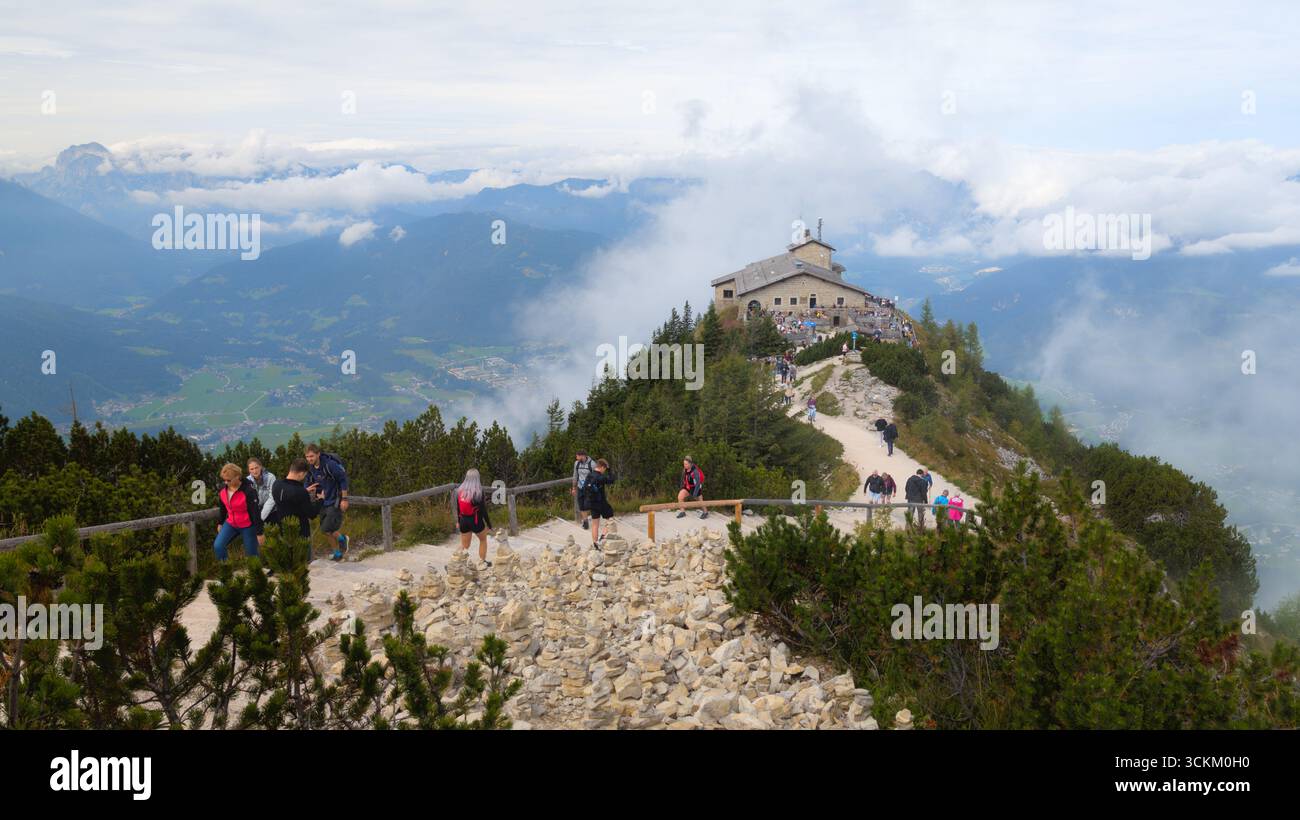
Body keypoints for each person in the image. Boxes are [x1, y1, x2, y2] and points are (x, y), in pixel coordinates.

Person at [305, 443, 351, 561]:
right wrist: (314, 493)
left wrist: (344, 499)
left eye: (312, 456)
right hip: (322, 501)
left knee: (326, 529)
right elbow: (308, 483)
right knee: (326, 531)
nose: (309, 459)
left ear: (318, 454)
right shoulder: (311, 468)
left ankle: (342, 539)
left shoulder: (329, 465)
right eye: (307, 457)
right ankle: (337, 553)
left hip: (334, 500)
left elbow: (343, 480)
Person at [214, 462, 265, 561]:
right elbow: (223, 507)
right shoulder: (222, 489)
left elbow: (255, 513)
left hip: (248, 525)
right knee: (218, 546)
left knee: (252, 556)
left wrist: (259, 533)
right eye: (224, 480)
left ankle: (255, 575)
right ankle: (226, 571)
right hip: (231, 524)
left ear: (237, 477)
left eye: (228, 480)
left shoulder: (249, 491)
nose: (225, 483)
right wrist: (220, 522)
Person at [266, 458, 321, 548]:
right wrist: (321, 500)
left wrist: (305, 491)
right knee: (302, 559)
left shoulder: (277, 484)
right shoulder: (300, 492)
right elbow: (312, 514)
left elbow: (288, 497)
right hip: (300, 532)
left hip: (282, 528)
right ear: (301, 474)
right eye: (305, 475)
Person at [454, 468, 493, 568]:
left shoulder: (459, 491)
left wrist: (458, 521)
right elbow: (483, 511)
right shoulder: (478, 492)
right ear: (477, 478)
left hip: (463, 520)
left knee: (465, 545)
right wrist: (489, 525)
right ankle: (482, 562)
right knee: (483, 540)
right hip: (475, 521)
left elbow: (458, 508)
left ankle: (455, 562)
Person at [584, 459, 616, 545]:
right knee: (610, 519)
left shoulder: (589, 475)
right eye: (605, 469)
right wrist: (609, 470)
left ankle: (595, 543)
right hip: (601, 502)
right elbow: (612, 480)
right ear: (602, 467)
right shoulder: (600, 477)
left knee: (595, 524)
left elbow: (584, 488)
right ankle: (602, 537)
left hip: (592, 503)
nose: (604, 471)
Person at [247, 457, 277, 523]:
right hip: (256, 512)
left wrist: (261, 517)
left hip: (272, 511)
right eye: (251, 469)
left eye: (256, 467)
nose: (254, 471)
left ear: (260, 467)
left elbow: (272, 498)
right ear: (249, 470)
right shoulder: (248, 481)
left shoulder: (270, 477)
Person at [572, 451, 596, 530]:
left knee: (589, 505)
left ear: (582, 456)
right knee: (581, 505)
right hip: (580, 487)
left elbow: (596, 476)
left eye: (577, 456)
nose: (576, 458)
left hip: (589, 488)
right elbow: (575, 475)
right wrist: (574, 488)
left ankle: (596, 519)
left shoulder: (592, 464)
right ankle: (585, 522)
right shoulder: (577, 463)